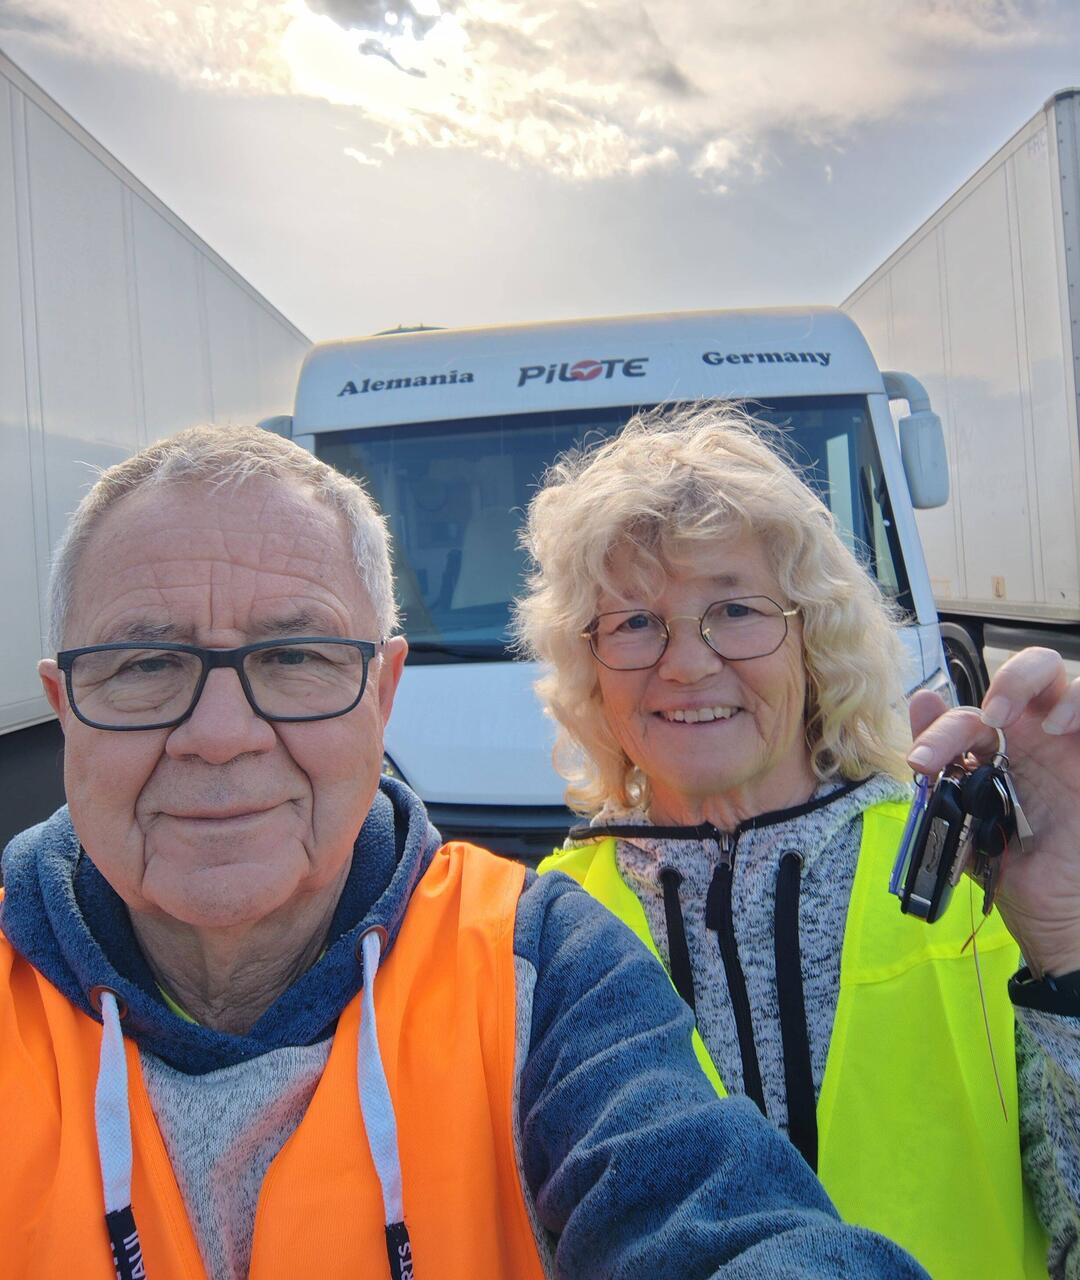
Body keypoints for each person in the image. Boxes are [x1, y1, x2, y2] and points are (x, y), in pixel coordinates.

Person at [0, 424, 928, 1280]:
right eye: (146, 665)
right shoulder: (581, 887)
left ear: (384, 691)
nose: (220, 734)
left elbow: (704, 1214)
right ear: (62, 704)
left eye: (295, 656)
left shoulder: (541, 961)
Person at [517, 403, 1080, 1280]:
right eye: (633, 623)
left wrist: (1069, 942)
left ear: (813, 637)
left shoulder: (975, 863)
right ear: (587, 667)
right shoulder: (542, 930)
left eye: (736, 609)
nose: (686, 663)